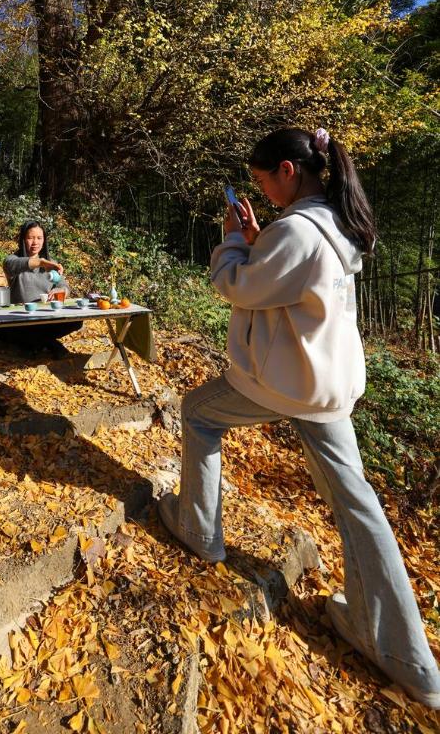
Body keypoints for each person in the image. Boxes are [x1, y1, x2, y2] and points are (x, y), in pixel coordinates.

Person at [157, 127, 440, 709]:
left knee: (198, 413)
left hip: (284, 383)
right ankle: (409, 658)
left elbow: (237, 286)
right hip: (328, 386)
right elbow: (288, 279)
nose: (261, 191)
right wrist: (259, 239)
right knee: (358, 505)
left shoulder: (297, 231)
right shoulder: (338, 224)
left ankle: (199, 531)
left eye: (263, 180)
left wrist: (233, 240)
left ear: (288, 170)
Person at [0, 220, 82, 353]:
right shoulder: (13, 260)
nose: (35, 242)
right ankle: (48, 342)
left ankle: (36, 344)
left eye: (39, 238)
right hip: (21, 319)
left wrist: (61, 290)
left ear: (44, 240)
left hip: (45, 318)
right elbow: (11, 265)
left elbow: (64, 286)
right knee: (2, 331)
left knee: (77, 321)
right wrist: (41, 263)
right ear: (23, 240)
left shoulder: (51, 263)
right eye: (30, 238)